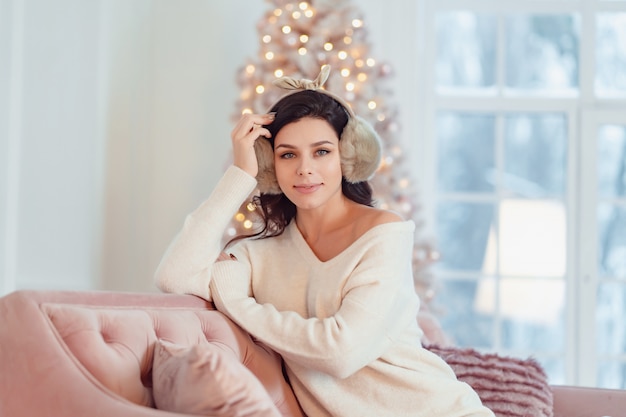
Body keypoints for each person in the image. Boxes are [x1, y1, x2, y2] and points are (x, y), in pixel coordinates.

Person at [155, 65, 494, 417]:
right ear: (270, 166)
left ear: (347, 157)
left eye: (321, 152)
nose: (304, 169)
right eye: (288, 154)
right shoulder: (259, 254)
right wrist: (240, 174)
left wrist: (238, 304)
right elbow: (175, 276)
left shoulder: (383, 233)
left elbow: (340, 352)